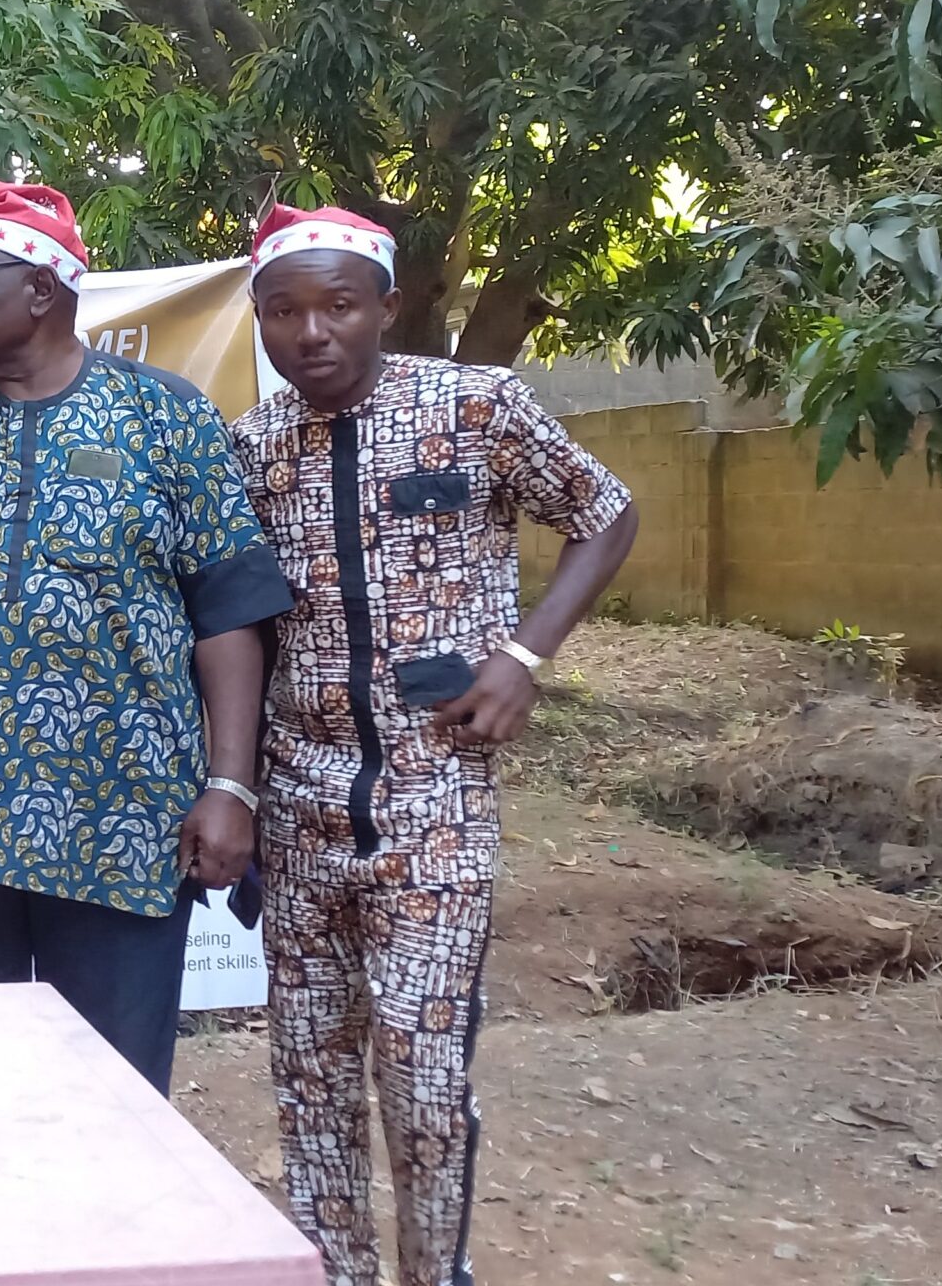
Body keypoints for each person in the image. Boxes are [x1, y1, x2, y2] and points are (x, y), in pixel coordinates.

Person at [231, 204, 638, 1286]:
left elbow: (605, 512)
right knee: (309, 1074)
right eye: (283, 312)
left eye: (337, 305)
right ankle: (334, 1271)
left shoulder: (475, 406)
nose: (311, 331)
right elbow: (237, 626)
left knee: (420, 1074)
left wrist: (525, 655)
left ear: (387, 307)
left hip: (435, 796)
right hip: (299, 802)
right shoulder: (251, 446)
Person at [0, 179, 293, 1094]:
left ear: (41, 289)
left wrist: (230, 786)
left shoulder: (166, 417)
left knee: (112, 1100)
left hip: (118, 826)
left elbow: (229, 614)